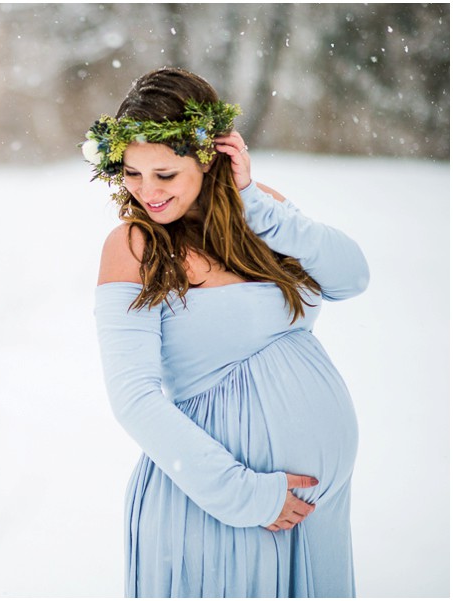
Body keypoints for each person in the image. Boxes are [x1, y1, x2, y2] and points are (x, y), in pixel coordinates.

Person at [87, 67, 369, 597]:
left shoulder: (260, 210)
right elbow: (134, 397)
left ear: (210, 155)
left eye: (165, 174)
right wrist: (244, 495)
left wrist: (255, 204)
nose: (147, 192)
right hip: (218, 509)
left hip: (315, 516)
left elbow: (352, 277)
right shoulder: (134, 247)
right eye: (132, 173)